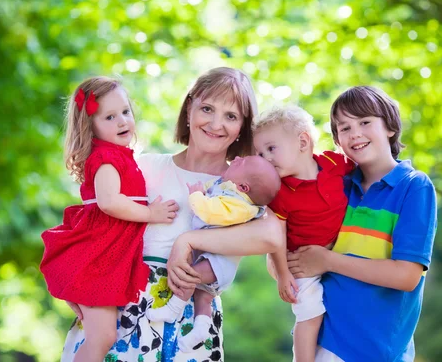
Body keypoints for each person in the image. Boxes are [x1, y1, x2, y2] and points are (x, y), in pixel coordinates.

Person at [60, 67, 284, 362]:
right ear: (189, 107)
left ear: (243, 126)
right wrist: (75, 281)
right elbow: (94, 224)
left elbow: (272, 235)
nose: (216, 123)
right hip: (123, 310)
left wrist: (186, 241)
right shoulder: (144, 167)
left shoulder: (244, 190)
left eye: (231, 116)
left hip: (191, 321)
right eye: (207, 108)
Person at [285, 86, 438, 362]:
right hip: (323, 343)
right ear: (337, 140)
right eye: (344, 128)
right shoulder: (337, 187)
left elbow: (406, 276)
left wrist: (328, 261)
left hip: (375, 351)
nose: (355, 133)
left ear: (390, 127)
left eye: (365, 122)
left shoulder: (414, 187)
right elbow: (298, 246)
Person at [40, 77, 179, 362]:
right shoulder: (105, 159)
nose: (121, 121)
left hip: (107, 257)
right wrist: (151, 214)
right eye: (109, 116)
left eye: (126, 112)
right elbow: (109, 201)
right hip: (97, 258)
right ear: (90, 126)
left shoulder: (120, 156)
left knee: (104, 336)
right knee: (102, 337)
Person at [147, 155, 281, 352]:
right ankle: (201, 328)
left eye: (241, 163)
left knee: (187, 276)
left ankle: (172, 309)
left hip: (218, 262)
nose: (236, 158)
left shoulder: (241, 206)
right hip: (210, 258)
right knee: (203, 297)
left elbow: (210, 212)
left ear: (243, 187)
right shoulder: (228, 188)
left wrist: (196, 195)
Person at [253, 105, 353, 362]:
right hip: (298, 262)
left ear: (303, 141)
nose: (265, 158)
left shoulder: (334, 163)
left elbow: (363, 169)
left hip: (335, 253)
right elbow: (276, 236)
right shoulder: (281, 192)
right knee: (310, 314)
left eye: (271, 149)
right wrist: (283, 274)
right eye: (260, 154)